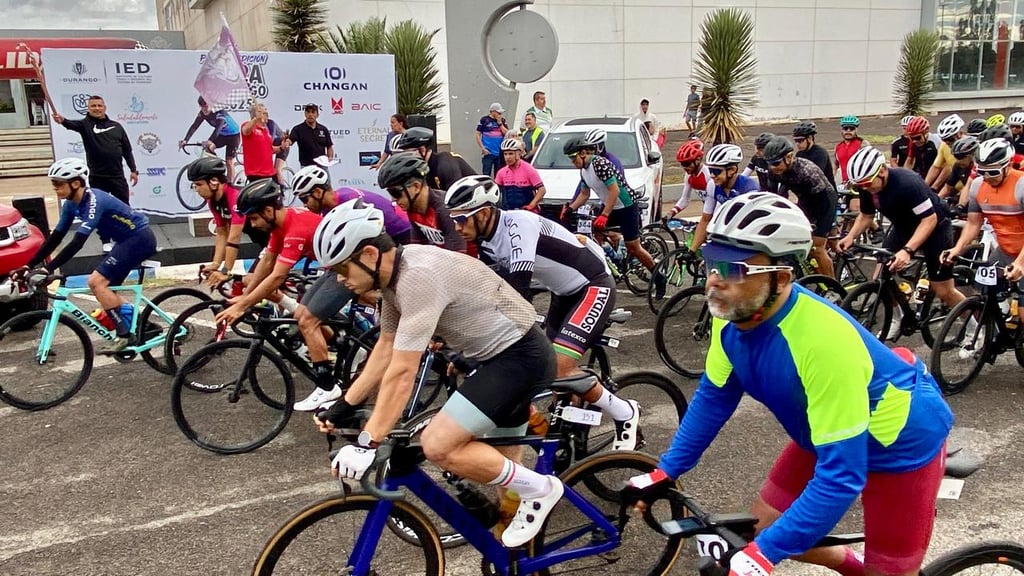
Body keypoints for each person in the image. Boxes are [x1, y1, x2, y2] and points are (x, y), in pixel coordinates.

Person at [626, 192, 953, 576]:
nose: (714, 281)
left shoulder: (822, 343)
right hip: (827, 429)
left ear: (781, 278)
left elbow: (841, 477)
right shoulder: (732, 312)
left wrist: (766, 555)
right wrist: (667, 470)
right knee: (762, 529)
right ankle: (852, 568)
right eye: (712, 263)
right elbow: (715, 397)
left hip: (899, 442)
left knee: (884, 571)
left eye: (734, 270)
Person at [310, 200, 562, 550]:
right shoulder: (394, 277)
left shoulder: (417, 277)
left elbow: (403, 372)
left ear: (369, 254)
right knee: (506, 477)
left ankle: (544, 489)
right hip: (499, 359)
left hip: (520, 358)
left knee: (438, 445)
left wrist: (369, 441)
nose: (339, 279)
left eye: (342, 268)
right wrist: (342, 406)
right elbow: (385, 348)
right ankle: (521, 561)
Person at [445, 175, 641, 448]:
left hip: (593, 285)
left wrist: (480, 352)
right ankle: (570, 425)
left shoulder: (518, 224)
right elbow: (489, 294)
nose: (457, 227)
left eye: (461, 219)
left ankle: (625, 412)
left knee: (559, 367)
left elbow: (516, 294)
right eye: (453, 219)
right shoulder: (486, 241)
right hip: (563, 293)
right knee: (547, 366)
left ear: (484, 213)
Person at [287, 165, 412, 411]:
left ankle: (327, 386)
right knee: (302, 311)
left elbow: (365, 251)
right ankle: (353, 344)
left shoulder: (345, 202)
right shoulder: (333, 203)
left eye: (305, 198)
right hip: (362, 255)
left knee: (309, 320)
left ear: (319, 192)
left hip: (391, 247)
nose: (304, 204)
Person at [22, 158, 155, 352]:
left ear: (76, 183)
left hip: (139, 239)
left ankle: (125, 336)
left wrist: (48, 268)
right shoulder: (70, 205)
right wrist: (29, 264)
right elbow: (55, 238)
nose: (55, 188)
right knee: (107, 291)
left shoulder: (94, 201)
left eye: (58, 184)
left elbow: (77, 243)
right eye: (53, 184)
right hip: (125, 242)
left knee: (96, 282)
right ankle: (146, 326)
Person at [839, 147, 967, 341]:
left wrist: (907, 250)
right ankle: (897, 318)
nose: (864, 188)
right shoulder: (867, 186)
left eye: (867, 183)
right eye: (860, 185)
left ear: (882, 171)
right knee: (881, 276)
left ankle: (975, 327)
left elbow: (929, 220)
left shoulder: (908, 183)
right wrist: (850, 236)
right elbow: (866, 215)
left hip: (935, 227)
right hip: (903, 226)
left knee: (943, 289)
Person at [214, 179, 321, 328]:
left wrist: (242, 306)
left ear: (269, 211)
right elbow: (267, 261)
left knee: (307, 321)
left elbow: (278, 276)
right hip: (332, 264)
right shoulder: (279, 226)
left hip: (344, 267)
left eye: (254, 218)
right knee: (304, 316)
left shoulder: (295, 231)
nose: (253, 225)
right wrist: (246, 296)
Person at [942, 137, 1024, 329]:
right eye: (981, 171)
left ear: (1008, 165)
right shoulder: (978, 186)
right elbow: (973, 223)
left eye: (993, 172)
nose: (987, 177)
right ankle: (996, 332)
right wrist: (956, 249)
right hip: (1006, 250)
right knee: (982, 292)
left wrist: (1020, 262)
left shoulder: (1021, 185)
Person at [50, 95, 138, 253]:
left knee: (124, 209)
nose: (97, 108)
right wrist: (62, 120)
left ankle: (127, 237)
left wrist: (133, 170)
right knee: (100, 210)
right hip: (97, 177)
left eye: (99, 105)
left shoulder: (116, 126)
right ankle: (106, 241)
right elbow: (70, 124)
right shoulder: (85, 125)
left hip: (117, 176)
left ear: (104, 108)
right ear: (88, 109)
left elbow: (127, 150)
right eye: (93, 106)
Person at [561, 138, 657, 276]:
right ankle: (612, 265)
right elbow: (584, 194)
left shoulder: (599, 164)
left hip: (626, 205)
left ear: (583, 153)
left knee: (633, 247)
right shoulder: (583, 171)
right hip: (611, 205)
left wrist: (604, 215)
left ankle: (657, 275)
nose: (572, 162)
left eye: (573, 157)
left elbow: (614, 191)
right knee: (596, 232)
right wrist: (570, 209)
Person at [184, 157, 264, 289]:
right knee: (256, 285)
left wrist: (226, 270)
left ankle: (288, 303)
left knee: (252, 282)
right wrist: (215, 264)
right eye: (194, 185)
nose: (196, 189)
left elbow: (234, 238)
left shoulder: (235, 197)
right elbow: (222, 234)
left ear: (214, 182)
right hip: (264, 242)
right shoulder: (213, 201)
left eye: (199, 184)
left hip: (279, 240)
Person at [764, 136, 837, 278]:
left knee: (816, 248)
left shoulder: (806, 171)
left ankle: (832, 284)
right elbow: (775, 196)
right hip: (805, 199)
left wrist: (816, 226)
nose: (772, 167)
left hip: (825, 200)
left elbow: (821, 202)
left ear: (789, 157)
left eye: (776, 163)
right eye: (769, 163)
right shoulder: (773, 171)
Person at [376, 152, 467, 251]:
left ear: (416, 186)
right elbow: (418, 251)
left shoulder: (445, 210)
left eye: (395, 193)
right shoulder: (413, 208)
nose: (393, 199)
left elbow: (456, 256)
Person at [689, 144, 760, 252]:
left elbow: (751, 225)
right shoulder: (712, 185)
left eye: (716, 171)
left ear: (732, 170)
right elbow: (705, 220)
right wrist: (692, 250)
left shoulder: (749, 189)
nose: (712, 175)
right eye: (710, 170)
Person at [179, 96, 241, 184]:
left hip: (233, 136)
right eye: (201, 107)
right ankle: (216, 167)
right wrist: (185, 140)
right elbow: (194, 126)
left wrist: (209, 140)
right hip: (222, 135)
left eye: (206, 106)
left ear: (211, 104)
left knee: (229, 161)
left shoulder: (219, 112)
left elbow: (217, 130)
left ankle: (230, 185)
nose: (204, 109)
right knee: (208, 148)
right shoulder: (202, 113)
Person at [397, 127, 478, 191]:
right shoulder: (425, 167)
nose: (407, 158)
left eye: (409, 153)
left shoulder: (445, 165)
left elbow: (456, 197)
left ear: (422, 150)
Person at [667, 139, 715, 224]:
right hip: (709, 211)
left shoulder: (708, 175)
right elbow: (685, 199)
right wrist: (671, 213)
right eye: (682, 164)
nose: (685, 167)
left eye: (687, 163)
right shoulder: (689, 176)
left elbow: (717, 201)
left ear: (698, 160)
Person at [494, 139, 546, 211]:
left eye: (511, 154)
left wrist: (531, 205)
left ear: (518, 154)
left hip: (526, 212)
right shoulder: (501, 172)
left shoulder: (529, 169)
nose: (507, 157)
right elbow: (494, 192)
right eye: (505, 154)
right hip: (509, 211)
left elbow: (542, 190)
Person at [241, 102, 285, 183]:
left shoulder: (265, 130)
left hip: (270, 173)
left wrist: (281, 147)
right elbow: (245, 131)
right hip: (256, 174)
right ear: (257, 114)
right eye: (264, 113)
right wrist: (255, 119)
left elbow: (270, 149)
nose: (267, 115)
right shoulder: (247, 125)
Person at [925, 114, 965, 194]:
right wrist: (924, 187)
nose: (947, 142)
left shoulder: (970, 147)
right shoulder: (944, 145)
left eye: (950, 139)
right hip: (953, 188)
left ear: (960, 133)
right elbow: (936, 167)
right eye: (944, 139)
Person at [792, 121, 836, 190]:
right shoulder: (799, 154)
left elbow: (815, 176)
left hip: (826, 192)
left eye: (800, 140)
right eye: (796, 141)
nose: (797, 144)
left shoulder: (820, 153)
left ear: (809, 138)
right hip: (809, 192)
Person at [289, 103, 334, 168]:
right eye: (308, 112)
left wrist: (330, 157)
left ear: (317, 115)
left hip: (322, 166)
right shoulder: (298, 129)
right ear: (305, 114)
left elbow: (329, 146)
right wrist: (286, 142)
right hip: (306, 167)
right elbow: (290, 141)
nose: (310, 114)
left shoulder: (323, 129)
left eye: (313, 112)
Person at [942, 136, 978, 209]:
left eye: (960, 157)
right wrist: (936, 200)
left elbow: (969, 187)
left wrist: (960, 204)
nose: (957, 161)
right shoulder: (957, 166)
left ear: (971, 155)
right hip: (966, 199)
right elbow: (948, 187)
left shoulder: (979, 168)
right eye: (955, 157)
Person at [477, 102, 510, 176]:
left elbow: (507, 134)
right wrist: (482, 148)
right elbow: (477, 134)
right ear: (493, 112)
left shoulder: (502, 120)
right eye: (498, 113)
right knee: (486, 174)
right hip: (488, 152)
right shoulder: (484, 120)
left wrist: (500, 124)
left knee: (499, 174)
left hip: (499, 153)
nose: (500, 115)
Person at [904, 116, 941, 181]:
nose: (914, 141)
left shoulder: (938, 141)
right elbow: (909, 161)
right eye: (912, 138)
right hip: (922, 175)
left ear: (926, 132)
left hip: (938, 175)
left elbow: (943, 167)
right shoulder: (912, 143)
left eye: (917, 138)